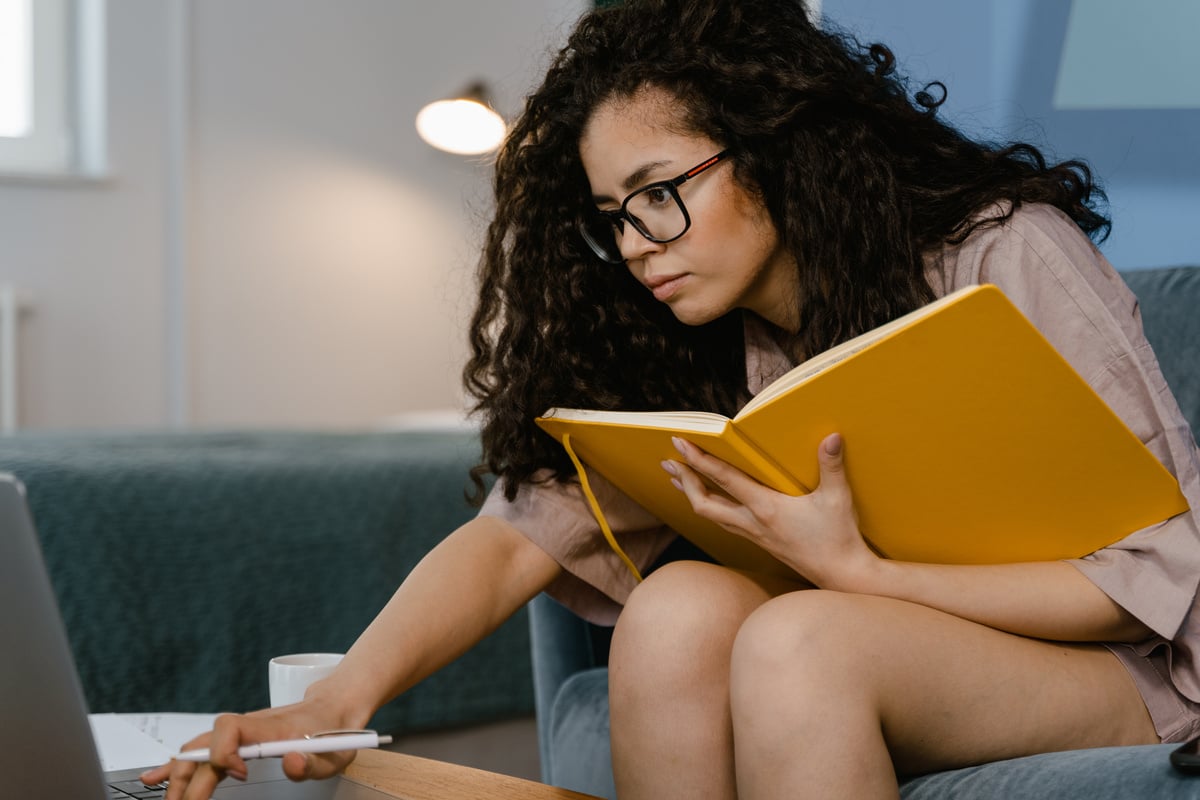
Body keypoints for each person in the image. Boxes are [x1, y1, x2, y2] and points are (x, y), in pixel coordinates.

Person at [145, 1, 1200, 798]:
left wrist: (864, 572)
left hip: (1126, 661)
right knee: (674, 611)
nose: (640, 243)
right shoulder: (687, 327)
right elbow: (516, 536)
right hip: (899, 643)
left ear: (775, 144)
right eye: (614, 214)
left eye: (662, 193)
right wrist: (339, 698)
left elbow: (1157, 569)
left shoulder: (1001, 251)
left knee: (803, 638)